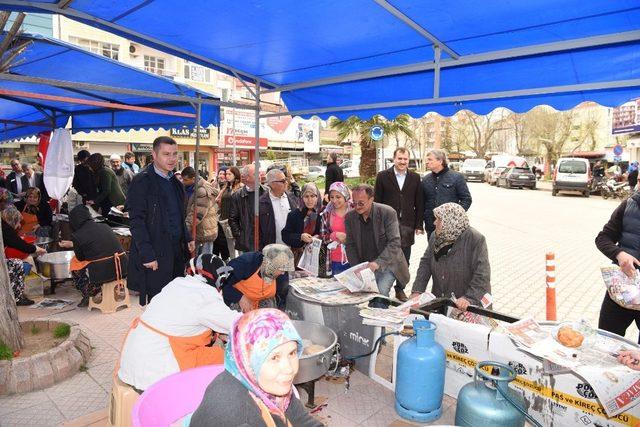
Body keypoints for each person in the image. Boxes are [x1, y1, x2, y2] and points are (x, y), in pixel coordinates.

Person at [118, 253, 240, 391]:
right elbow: (239, 323)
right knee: (223, 358)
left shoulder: (176, 284)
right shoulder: (205, 296)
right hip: (156, 373)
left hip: (132, 362)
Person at [190, 309, 322, 427]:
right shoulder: (241, 418)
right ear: (249, 360)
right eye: (275, 357)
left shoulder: (263, 382)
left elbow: (300, 418)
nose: (288, 369)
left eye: (292, 353)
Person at [127, 136, 195, 305]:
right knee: (158, 303)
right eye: (166, 154)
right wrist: (147, 254)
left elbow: (179, 215)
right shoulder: (142, 181)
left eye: (174, 154)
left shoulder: (176, 182)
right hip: (155, 253)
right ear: (154, 155)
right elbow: (136, 221)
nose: (172, 159)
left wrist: (187, 237)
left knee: (176, 300)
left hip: (177, 253)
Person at [411, 203, 491, 311]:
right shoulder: (436, 236)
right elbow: (426, 263)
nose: (434, 222)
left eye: (438, 219)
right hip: (442, 299)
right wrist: (417, 291)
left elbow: (482, 274)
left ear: (450, 222)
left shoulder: (475, 239)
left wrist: (469, 298)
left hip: (470, 304)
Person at [345, 184, 410, 306]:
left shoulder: (387, 213)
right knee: (369, 298)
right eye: (354, 203)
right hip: (366, 266)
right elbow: (350, 245)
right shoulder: (350, 217)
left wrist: (378, 263)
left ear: (371, 199)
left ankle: (379, 324)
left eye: (361, 203)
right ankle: (374, 323)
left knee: (380, 294)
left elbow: (395, 242)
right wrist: (357, 268)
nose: (357, 207)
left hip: (388, 263)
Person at [374, 147, 424, 301]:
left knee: (405, 259)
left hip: (407, 225)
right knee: (386, 256)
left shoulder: (415, 177)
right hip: (387, 225)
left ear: (408, 160)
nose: (402, 162)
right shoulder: (382, 176)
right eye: (400, 158)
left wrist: (418, 225)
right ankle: (381, 290)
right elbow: (377, 202)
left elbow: (419, 202)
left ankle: (400, 289)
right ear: (394, 159)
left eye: (405, 159)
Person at [58, 205, 128, 307]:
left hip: (105, 274)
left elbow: (81, 258)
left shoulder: (77, 235)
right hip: (123, 268)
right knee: (98, 260)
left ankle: (89, 293)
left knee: (76, 264)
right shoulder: (105, 226)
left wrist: (74, 245)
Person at [595, 192, 640, 342]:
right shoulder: (628, 205)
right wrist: (619, 254)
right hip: (621, 289)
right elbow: (603, 238)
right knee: (605, 343)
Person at [222, 244, 295, 312]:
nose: (283, 273)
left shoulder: (282, 273)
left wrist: (279, 315)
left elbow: (282, 297)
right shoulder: (245, 262)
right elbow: (221, 280)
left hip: (262, 302)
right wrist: (239, 297)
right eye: (280, 269)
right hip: (238, 301)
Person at [422, 149, 472, 236]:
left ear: (440, 161)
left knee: (451, 250)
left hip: (451, 227)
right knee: (432, 249)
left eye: (430, 159)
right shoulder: (426, 179)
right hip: (431, 226)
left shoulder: (457, 177)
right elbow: (421, 203)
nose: (427, 162)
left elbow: (466, 200)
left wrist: (454, 216)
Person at [2, 206, 46, 306]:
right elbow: (20, 244)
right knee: (17, 264)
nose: (18, 226)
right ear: (12, 220)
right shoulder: (5, 229)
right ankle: (17, 297)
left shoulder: (4, 226)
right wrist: (37, 249)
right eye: (17, 222)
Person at [282, 183, 322, 265]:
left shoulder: (323, 213)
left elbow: (328, 233)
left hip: (318, 258)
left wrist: (318, 237)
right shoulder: (294, 214)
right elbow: (285, 235)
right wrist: (300, 237)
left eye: (312, 196)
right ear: (301, 198)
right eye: (306, 196)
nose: (309, 200)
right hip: (299, 259)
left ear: (317, 197)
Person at [182, 166, 219, 255]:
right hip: (198, 229)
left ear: (193, 179)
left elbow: (197, 214)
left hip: (204, 231)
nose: (183, 182)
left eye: (185, 180)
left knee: (203, 261)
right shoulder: (189, 188)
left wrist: (185, 229)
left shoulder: (201, 191)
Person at [230, 164, 265, 252]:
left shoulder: (267, 193)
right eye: (255, 174)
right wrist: (240, 235)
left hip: (265, 241)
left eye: (259, 173)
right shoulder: (237, 196)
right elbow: (233, 219)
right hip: (247, 242)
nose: (259, 176)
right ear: (246, 178)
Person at [259, 169, 298, 250]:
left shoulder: (291, 197)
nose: (286, 183)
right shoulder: (262, 203)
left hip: (292, 248)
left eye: (286, 180)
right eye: (283, 181)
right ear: (272, 184)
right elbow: (257, 230)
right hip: (272, 250)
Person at [320, 182, 352, 274]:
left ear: (345, 196)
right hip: (334, 260)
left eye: (338, 197)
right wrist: (334, 235)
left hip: (354, 259)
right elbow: (322, 238)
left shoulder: (354, 211)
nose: (334, 200)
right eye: (332, 197)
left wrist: (348, 238)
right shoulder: (326, 214)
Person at [214, 166, 242, 260]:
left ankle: (242, 264)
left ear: (235, 175)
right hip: (225, 219)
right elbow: (217, 199)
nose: (227, 176)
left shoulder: (240, 187)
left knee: (239, 244)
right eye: (226, 174)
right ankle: (233, 263)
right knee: (230, 245)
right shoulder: (226, 186)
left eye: (229, 174)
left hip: (236, 220)